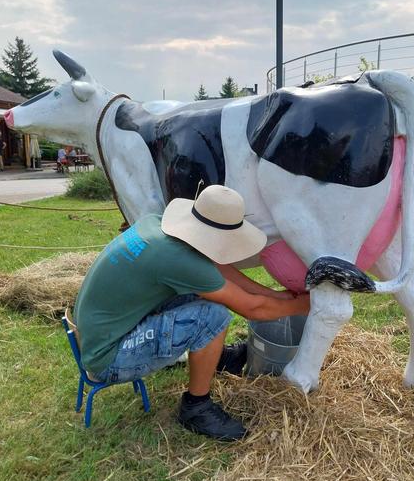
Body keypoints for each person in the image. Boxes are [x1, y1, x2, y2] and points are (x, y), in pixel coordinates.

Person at [74, 185, 310, 441]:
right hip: (108, 358)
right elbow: (252, 309)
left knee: (199, 295)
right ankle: (196, 407)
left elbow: (217, 272)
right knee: (214, 316)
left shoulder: (158, 227)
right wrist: (303, 306)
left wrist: (276, 296)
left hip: (97, 333)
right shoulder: (179, 260)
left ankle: (213, 358)